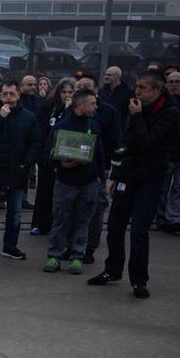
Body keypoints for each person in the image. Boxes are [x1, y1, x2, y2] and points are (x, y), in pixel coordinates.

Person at [90, 71, 180, 298]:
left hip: (150, 179)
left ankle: (139, 279)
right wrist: (116, 175)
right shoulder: (137, 109)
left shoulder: (170, 113)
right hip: (128, 176)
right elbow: (128, 145)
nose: (137, 91)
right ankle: (113, 269)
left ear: (157, 90)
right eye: (136, 86)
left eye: (142, 87)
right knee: (114, 226)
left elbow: (149, 142)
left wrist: (138, 116)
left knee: (139, 231)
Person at [0, 79, 40, 259]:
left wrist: (25, 164)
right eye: (5, 94)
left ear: (18, 95)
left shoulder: (28, 117)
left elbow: (34, 143)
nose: (8, 98)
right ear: (0, 95)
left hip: (16, 170)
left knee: (15, 213)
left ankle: (10, 246)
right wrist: (0, 117)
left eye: (12, 94)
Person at [42, 88, 103, 275]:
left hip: (89, 182)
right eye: (92, 103)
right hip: (66, 182)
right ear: (80, 105)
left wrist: (102, 179)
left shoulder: (95, 126)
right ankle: (54, 255)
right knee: (61, 218)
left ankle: (77, 256)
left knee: (83, 220)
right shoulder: (61, 127)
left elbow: (100, 155)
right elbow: (47, 155)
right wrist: (61, 162)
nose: (95, 107)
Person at [73, 74, 124, 263]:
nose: (83, 90)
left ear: (96, 89)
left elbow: (116, 141)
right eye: (80, 86)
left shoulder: (107, 112)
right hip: (72, 168)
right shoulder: (70, 111)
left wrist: (113, 169)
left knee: (95, 208)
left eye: (87, 87)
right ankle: (72, 244)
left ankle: (89, 247)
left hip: (99, 168)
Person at [31, 77, 76, 235]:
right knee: (44, 191)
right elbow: (41, 130)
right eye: (64, 92)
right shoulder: (49, 107)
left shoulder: (76, 110)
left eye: (70, 92)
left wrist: (69, 111)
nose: (67, 95)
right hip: (49, 157)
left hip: (68, 157)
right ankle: (40, 223)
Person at [157, 70, 180, 233]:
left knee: (179, 187)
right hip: (165, 152)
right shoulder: (162, 102)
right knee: (162, 186)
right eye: (171, 81)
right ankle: (160, 217)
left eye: (177, 82)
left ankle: (173, 218)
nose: (174, 85)